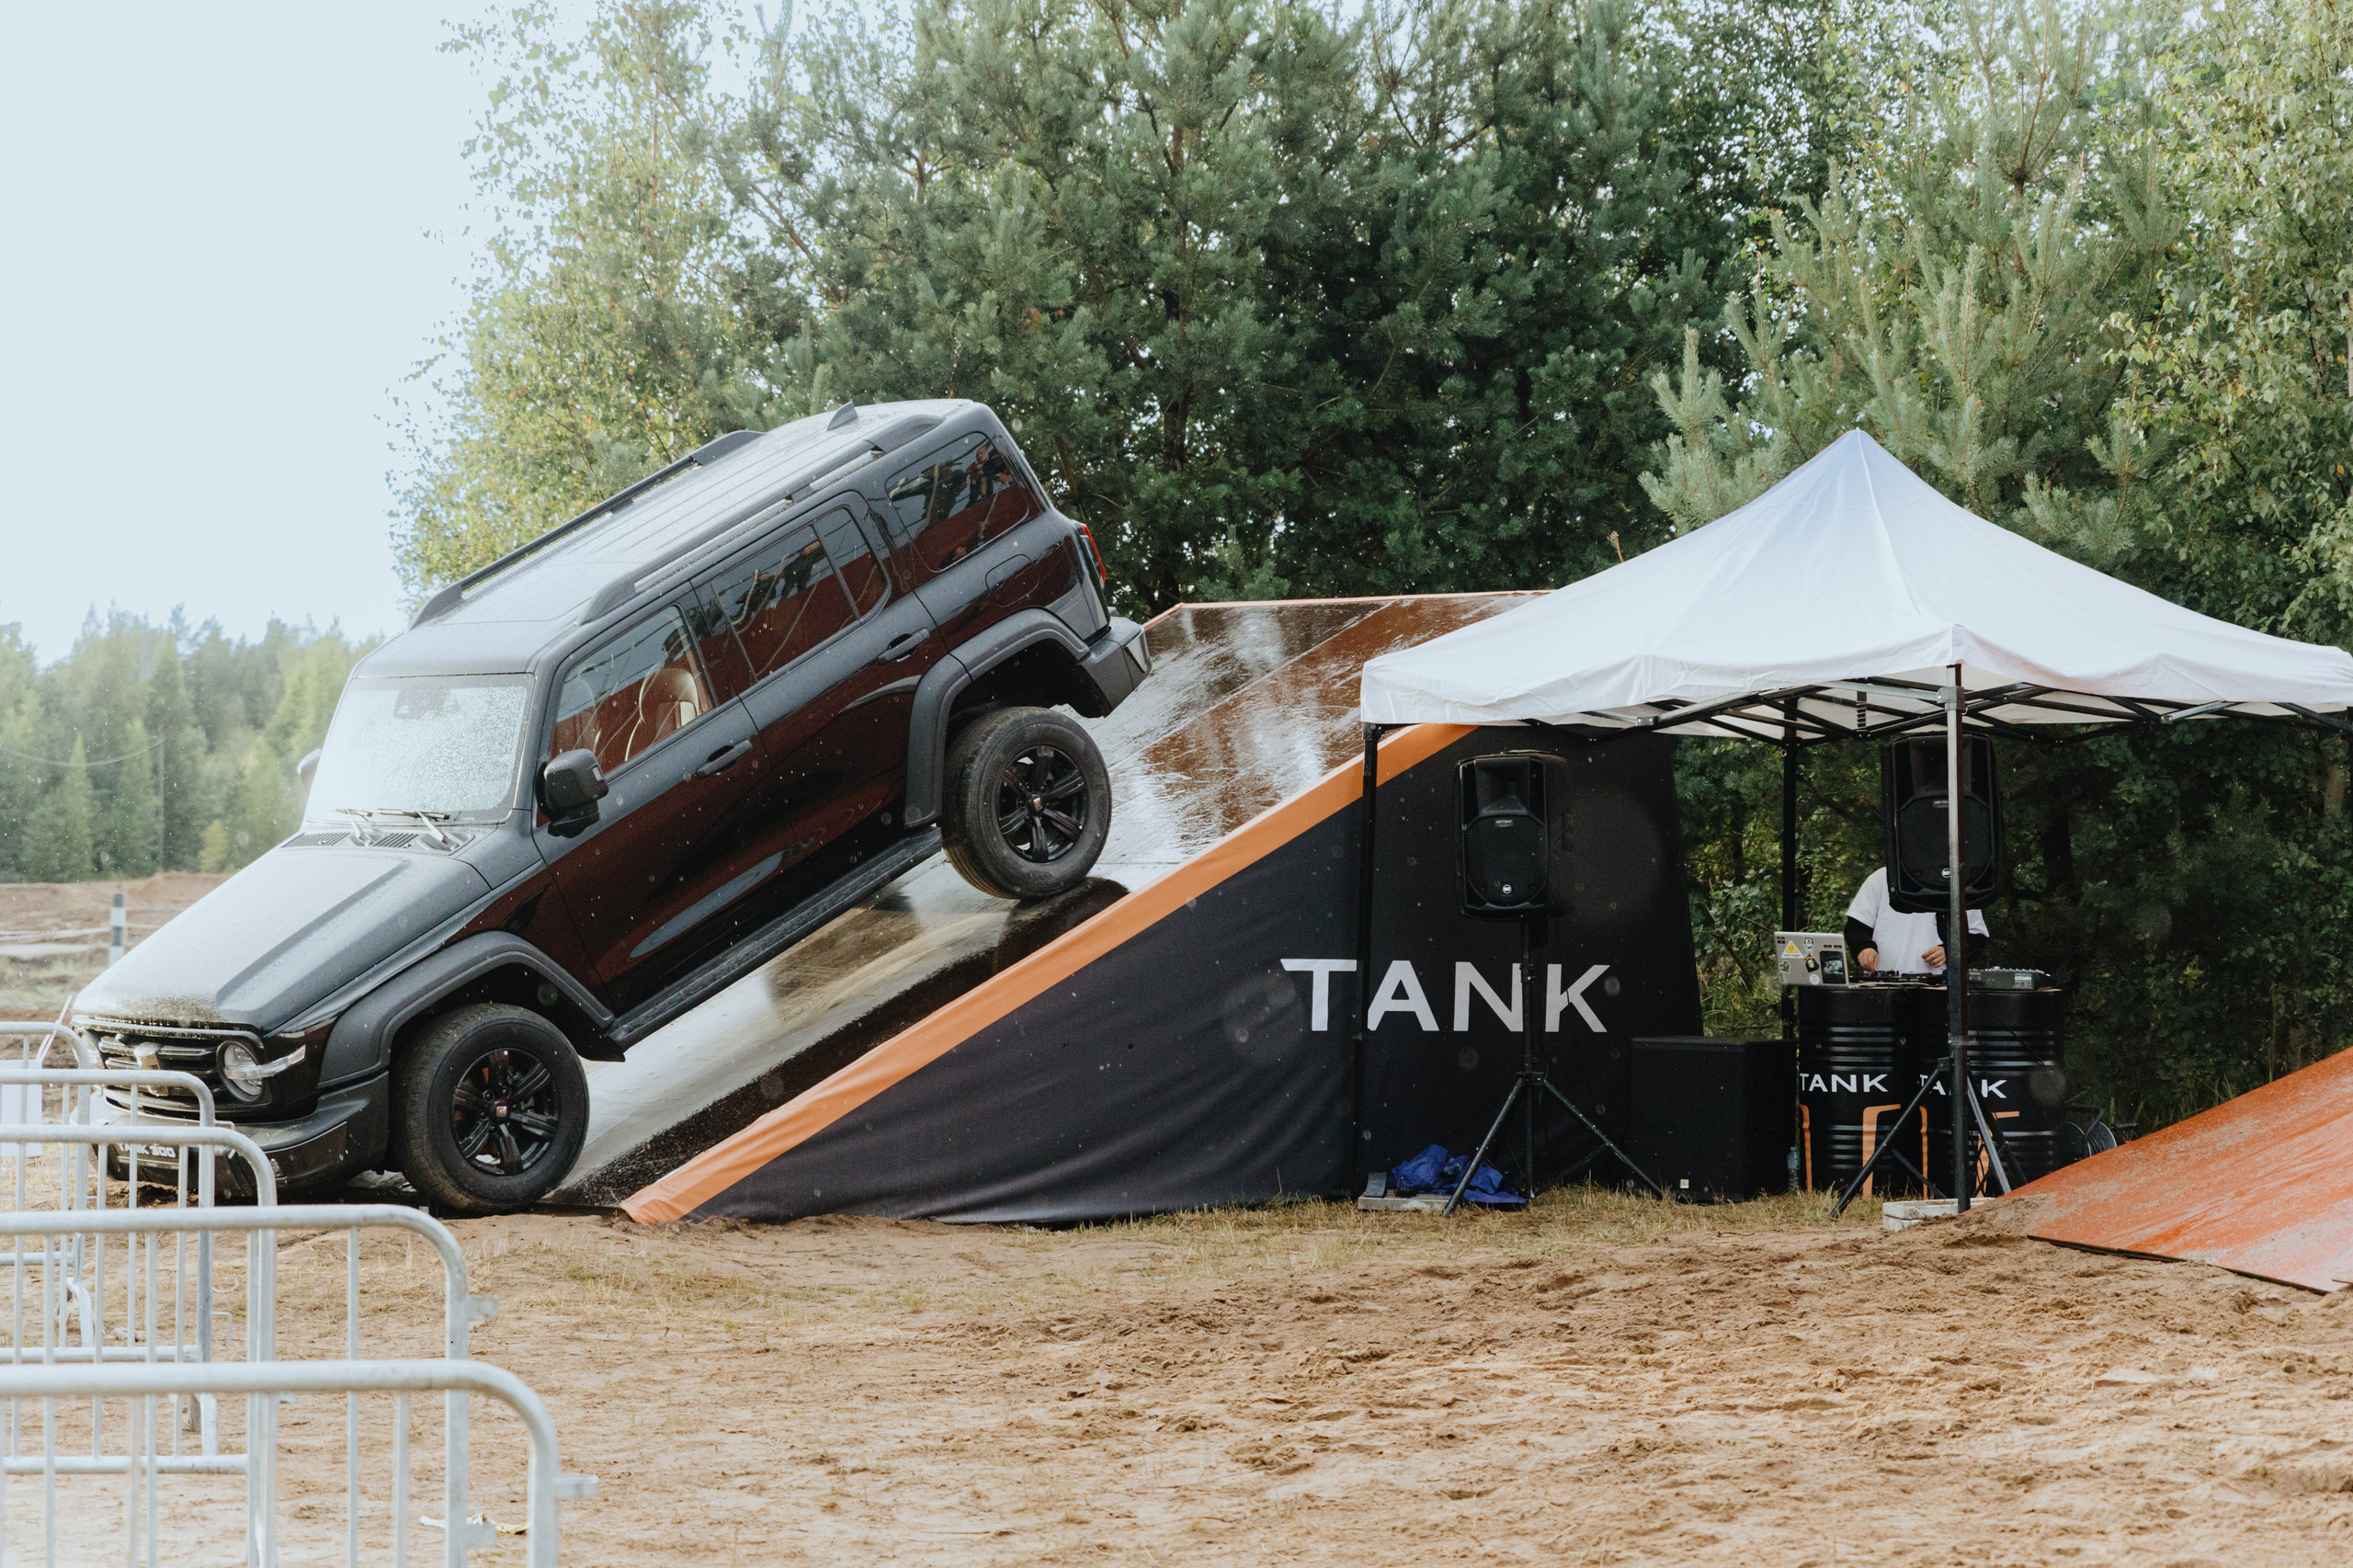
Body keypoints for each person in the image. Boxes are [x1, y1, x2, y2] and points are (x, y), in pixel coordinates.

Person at [1843, 866, 1988, 975]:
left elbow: (1978, 938)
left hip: (1938, 986)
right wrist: (1864, 947)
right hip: (1884, 984)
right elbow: (1855, 927)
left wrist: (1949, 951)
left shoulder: (1956, 881)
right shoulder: (1882, 877)